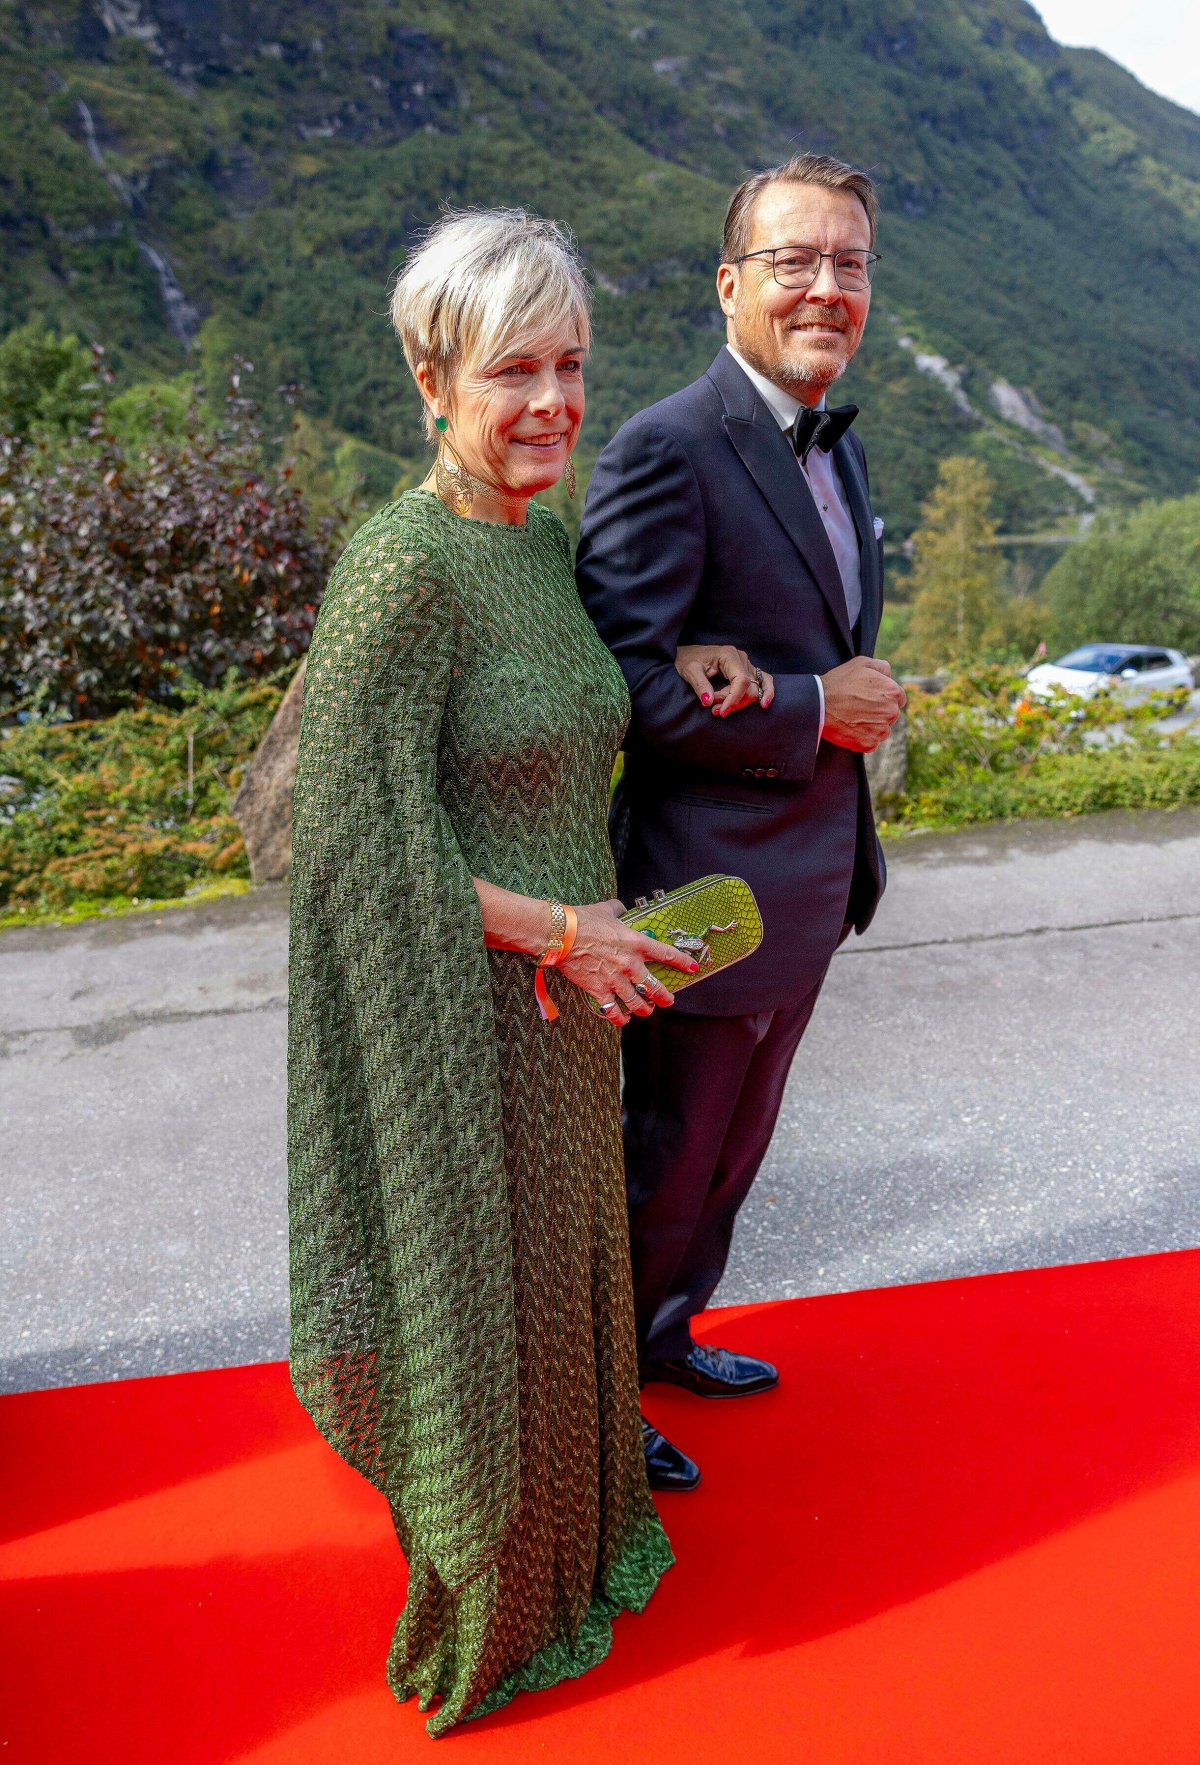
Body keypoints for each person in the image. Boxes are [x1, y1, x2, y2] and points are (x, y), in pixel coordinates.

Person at [287, 208, 697, 1737]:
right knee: (485, 1301)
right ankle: (491, 1590)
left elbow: (569, 719)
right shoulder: (398, 573)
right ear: (428, 380)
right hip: (456, 1023)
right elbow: (346, 847)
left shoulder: (543, 542)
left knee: (563, 1276)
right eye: (510, 369)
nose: (549, 402)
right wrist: (554, 929)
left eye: (571, 364)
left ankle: (580, 1534)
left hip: (565, 1015)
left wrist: (706, 676)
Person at [576, 153, 906, 1491]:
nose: (828, 286)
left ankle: (663, 1335)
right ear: (730, 284)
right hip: (699, 896)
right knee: (661, 1162)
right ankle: (595, 1405)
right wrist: (813, 706)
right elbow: (621, 680)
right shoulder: (667, 445)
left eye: (851, 264)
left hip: (812, 889)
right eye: (796, 260)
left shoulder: (839, 434)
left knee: (733, 1156)